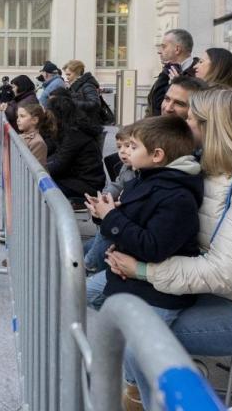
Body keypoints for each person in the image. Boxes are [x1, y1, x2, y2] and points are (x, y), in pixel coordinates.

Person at [106, 88, 232, 408]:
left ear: (215, 130)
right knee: (119, 308)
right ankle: (138, 393)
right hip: (221, 294)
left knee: (138, 336)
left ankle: (141, 399)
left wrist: (141, 269)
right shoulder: (207, 172)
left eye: (192, 120)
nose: (182, 123)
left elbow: (222, 272)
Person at [84, 116, 202, 341]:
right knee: (88, 295)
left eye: (133, 146)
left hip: (157, 294)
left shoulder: (176, 196)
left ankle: (136, 374)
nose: (126, 151)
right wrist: (106, 215)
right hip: (130, 277)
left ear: (157, 155)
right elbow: (135, 220)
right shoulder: (145, 178)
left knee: (138, 355)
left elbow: (153, 247)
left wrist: (112, 217)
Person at [84, 127, 137, 276]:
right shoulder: (126, 168)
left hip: (126, 217)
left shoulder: (139, 172)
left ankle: (90, 264)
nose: (122, 151)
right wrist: (104, 197)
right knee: (90, 243)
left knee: (106, 229)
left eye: (129, 146)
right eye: (119, 147)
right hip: (119, 212)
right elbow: (117, 184)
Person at [45, 88, 106, 200]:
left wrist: (40, 167)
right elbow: (57, 154)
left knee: (43, 187)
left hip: (87, 185)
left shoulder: (74, 135)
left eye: (50, 115)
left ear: (58, 116)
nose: (48, 118)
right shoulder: (71, 131)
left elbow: (59, 164)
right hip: (80, 180)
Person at [147, 29, 200, 116]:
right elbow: (153, 106)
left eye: (164, 46)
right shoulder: (166, 71)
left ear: (177, 49)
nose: (160, 51)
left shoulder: (198, 74)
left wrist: (179, 84)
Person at [62, 60, 103, 124]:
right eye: (66, 74)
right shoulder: (74, 85)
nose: (67, 77)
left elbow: (95, 104)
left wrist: (72, 103)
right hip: (79, 122)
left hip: (87, 124)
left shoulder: (87, 85)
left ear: (77, 73)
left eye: (69, 74)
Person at [15, 103, 49, 168]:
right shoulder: (21, 135)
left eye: (22, 116)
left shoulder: (38, 143)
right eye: (18, 116)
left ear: (34, 120)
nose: (18, 120)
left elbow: (33, 170)